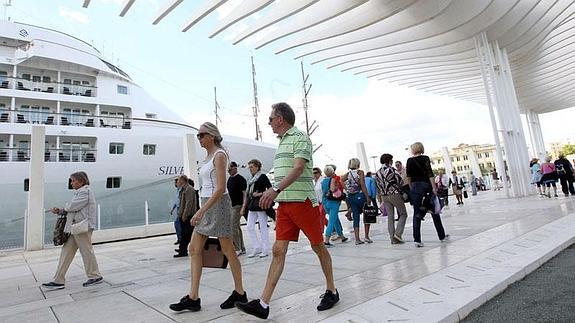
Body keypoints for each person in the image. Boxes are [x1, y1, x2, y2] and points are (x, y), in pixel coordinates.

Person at [235, 102, 339, 319]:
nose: (269, 123)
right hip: (284, 204)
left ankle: (332, 290)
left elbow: (299, 167)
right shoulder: (281, 142)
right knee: (277, 250)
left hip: (303, 202)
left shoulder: (300, 137)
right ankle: (263, 304)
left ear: (280, 119)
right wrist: (275, 194)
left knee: (318, 246)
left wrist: (274, 189)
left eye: (270, 119)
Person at [170, 122, 247, 312]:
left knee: (228, 250)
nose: (199, 139)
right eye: (198, 136)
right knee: (194, 249)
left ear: (211, 136)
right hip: (208, 203)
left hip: (218, 205)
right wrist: (202, 207)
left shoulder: (220, 155)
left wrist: (201, 210)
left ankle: (240, 292)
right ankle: (193, 297)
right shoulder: (207, 157)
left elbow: (221, 187)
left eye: (201, 135)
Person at [42, 171, 103, 289]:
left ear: (81, 181)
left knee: (86, 251)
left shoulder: (85, 192)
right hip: (75, 228)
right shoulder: (79, 192)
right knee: (66, 252)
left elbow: (72, 207)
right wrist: (60, 210)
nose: (71, 183)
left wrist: (63, 208)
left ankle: (95, 275)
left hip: (82, 228)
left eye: (73, 180)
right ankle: (58, 280)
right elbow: (72, 209)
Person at [406, 142, 449, 248]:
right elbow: (430, 174)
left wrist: (411, 188)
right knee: (434, 210)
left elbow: (408, 176)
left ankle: (417, 240)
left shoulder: (409, 160)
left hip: (415, 188)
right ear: (421, 148)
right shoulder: (425, 158)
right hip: (426, 186)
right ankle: (441, 236)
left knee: (417, 213)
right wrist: (434, 188)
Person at [375, 154, 408, 245]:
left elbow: (377, 186)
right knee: (403, 214)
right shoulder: (392, 170)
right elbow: (400, 181)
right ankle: (398, 234)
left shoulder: (377, 173)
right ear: (389, 161)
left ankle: (392, 238)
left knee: (390, 216)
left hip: (384, 196)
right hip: (394, 194)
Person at [244, 159, 272, 258]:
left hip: (260, 203)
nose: (250, 169)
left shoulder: (262, 176)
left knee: (263, 226)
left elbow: (270, 188)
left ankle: (265, 248)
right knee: (249, 226)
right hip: (252, 204)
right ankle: (256, 247)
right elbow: (247, 193)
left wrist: (260, 194)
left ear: (257, 167)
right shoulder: (251, 179)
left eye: (252, 167)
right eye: (249, 167)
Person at [342, 158, 372, 244]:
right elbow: (362, 185)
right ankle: (366, 236)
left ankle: (357, 239)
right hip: (360, 195)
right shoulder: (360, 172)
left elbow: (340, 180)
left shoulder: (348, 174)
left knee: (356, 217)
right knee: (367, 215)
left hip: (351, 197)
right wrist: (367, 197)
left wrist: (347, 189)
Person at [322, 165, 348, 246]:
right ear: (332, 172)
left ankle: (342, 236)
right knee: (332, 221)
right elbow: (333, 190)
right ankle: (326, 240)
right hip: (333, 202)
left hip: (325, 202)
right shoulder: (333, 179)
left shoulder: (323, 181)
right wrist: (337, 188)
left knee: (335, 219)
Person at [174, 175, 198, 258]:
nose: (177, 182)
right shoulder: (183, 189)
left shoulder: (189, 189)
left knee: (187, 234)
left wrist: (184, 215)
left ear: (182, 181)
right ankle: (183, 250)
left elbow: (189, 203)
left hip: (188, 216)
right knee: (185, 234)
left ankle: (184, 250)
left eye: (178, 181)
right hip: (183, 215)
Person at [227, 161, 247, 255]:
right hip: (231, 205)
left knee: (232, 226)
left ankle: (237, 248)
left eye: (230, 169)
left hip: (238, 205)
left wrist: (243, 206)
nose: (229, 171)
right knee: (237, 227)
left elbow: (244, 194)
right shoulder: (230, 179)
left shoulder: (241, 179)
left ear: (235, 168)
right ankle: (242, 248)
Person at [170, 178, 182, 245]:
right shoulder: (177, 191)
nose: (175, 183)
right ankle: (179, 239)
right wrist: (172, 209)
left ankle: (180, 239)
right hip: (177, 209)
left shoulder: (181, 191)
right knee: (177, 225)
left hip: (181, 210)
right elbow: (176, 201)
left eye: (176, 182)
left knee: (178, 225)